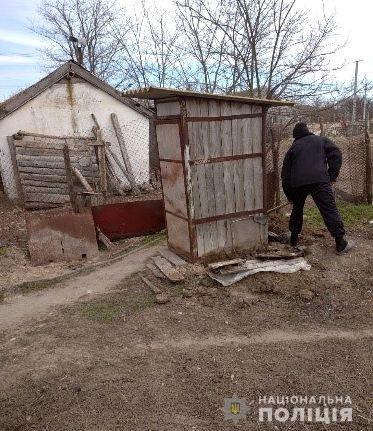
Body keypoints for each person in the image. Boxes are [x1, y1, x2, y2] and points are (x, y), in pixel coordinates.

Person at [281, 122, 354, 254]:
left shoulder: (293, 148)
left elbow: (285, 175)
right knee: (329, 209)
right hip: (319, 181)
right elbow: (336, 153)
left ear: (295, 136)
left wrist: (290, 196)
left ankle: (293, 239)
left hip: (298, 184)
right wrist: (332, 176)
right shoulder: (321, 140)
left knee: (297, 209)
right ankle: (340, 243)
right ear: (308, 131)